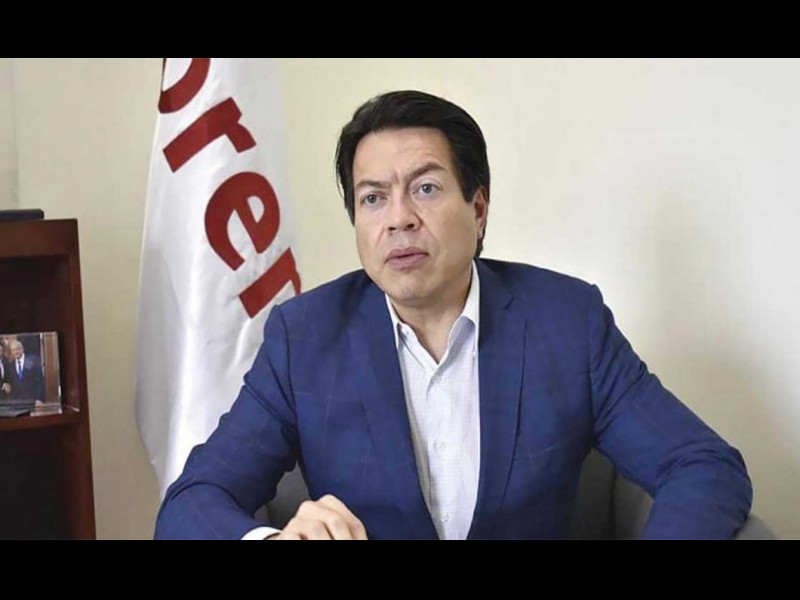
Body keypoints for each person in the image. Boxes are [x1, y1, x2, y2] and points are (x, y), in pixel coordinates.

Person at [155, 90, 752, 540]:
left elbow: (702, 465)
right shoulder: (304, 338)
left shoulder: (568, 322)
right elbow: (192, 502)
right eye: (373, 198)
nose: (398, 219)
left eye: (426, 188)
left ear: (478, 207)